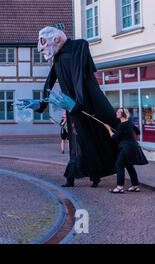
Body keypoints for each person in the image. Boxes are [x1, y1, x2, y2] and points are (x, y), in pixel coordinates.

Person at [18, 27, 119, 188]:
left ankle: (94, 175)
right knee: (77, 142)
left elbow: (81, 76)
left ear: (56, 39)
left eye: (43, 41)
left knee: (90, 138)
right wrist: (41, 103)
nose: (41, 47)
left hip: (87, 105)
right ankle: (78, 177)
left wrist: (78, 103)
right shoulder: (58, 58)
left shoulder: (78, 48)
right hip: (73, 108)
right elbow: (49, 82)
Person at [105, 108, 149, 194]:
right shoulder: (129, 123)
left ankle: (120, 187)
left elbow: (114, 137)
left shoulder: (122, 125)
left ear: (123, 115)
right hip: (132, 146)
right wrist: (131, 139)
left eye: (118, 112)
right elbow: (138, 132)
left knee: (119, 165)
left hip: (126, 148)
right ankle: (135, 186)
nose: (116, 113)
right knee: (129, 166)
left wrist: (108, 129)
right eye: (117, 111)